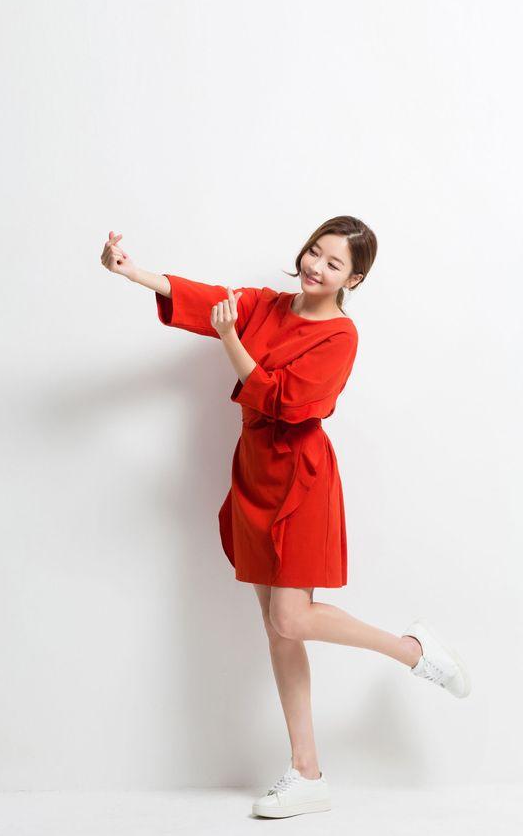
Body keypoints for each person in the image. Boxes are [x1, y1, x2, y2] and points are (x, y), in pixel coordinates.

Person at [100, 215, 469, 820]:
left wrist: (231, 342)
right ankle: (307, 773)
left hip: (300, 477)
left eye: (334, 263)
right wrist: (133, 272)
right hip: (254, 472)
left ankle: (412, 649)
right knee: (279, 632)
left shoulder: (340, 336)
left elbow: (287, 402)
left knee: (290, 617)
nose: (316, 267)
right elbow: (208, 299)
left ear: (354, 279)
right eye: (314, 252)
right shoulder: (268, 304)